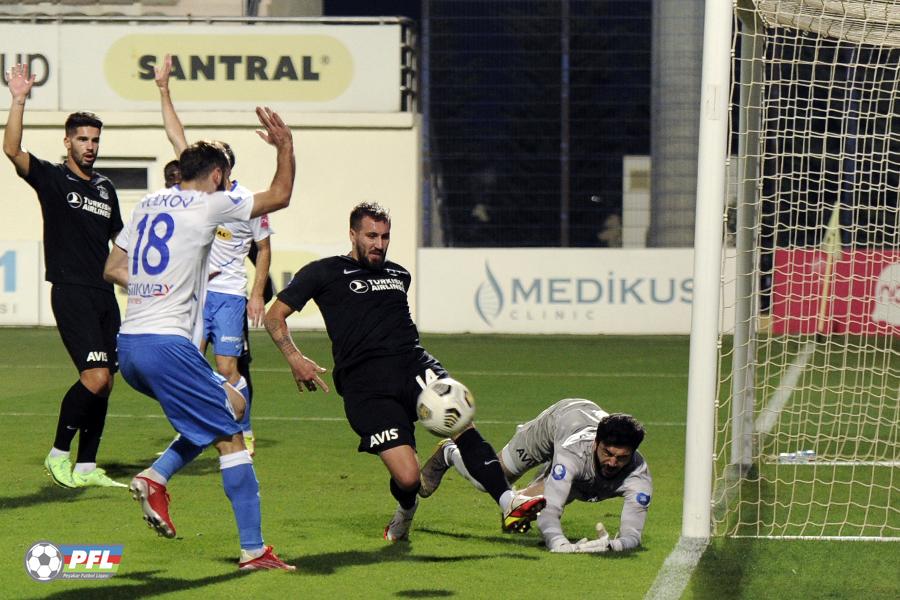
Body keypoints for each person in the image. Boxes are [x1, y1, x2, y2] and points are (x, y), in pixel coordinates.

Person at [263, 202, 546, 542]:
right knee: (409, 478)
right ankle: (406, 510)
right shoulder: (323, 272)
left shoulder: (399, 275)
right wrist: (294, 357)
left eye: (385, 237)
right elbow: (274, 315)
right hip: (365, 385)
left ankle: (508, 502)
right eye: (371, 236)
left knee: (461, 421)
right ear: (352, 234)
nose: (379, 244)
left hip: (414, 365)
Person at [102, 106, 296, 570]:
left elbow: (112, 268)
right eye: (224, 179)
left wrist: (156, 285)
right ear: (216, 175)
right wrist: (285, 146)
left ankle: (157, 476)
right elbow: (281, 195)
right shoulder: (212, 202)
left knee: (231, 406)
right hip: (167, 347)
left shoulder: (148, 203)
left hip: (129, 346)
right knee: (231, 434)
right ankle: (253, 550)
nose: (226, 186)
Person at [3, 63, 125, 489]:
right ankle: (58, 454)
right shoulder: (53, 179)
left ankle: (87, 466)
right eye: (83, 139)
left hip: (104, 295)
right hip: (72, 291)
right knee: (95, 377)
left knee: (106, 384)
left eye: (95, 140)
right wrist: (18, 99)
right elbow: (12, 149)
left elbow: (121, 242)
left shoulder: (106, 189)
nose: (90, 146)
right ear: (68, 141)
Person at [155, 54, 273, 455]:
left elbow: (263, 248)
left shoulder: (246, 202)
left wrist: (256, 294)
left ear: (223, 168)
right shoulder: (199, 195)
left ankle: (243, 428)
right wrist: (163, 89)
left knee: (227, 368)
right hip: (195, 294)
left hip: (228, 294)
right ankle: (197, 429)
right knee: (186, 364)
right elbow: (176, 137)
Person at [419, 399, 652, 553]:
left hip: (577, 451)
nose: (613, 463)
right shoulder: (573, 454)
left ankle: (516, 505)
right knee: (490, 479)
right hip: (555, 424)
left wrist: (611, 546)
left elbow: (632, 535)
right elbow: (551, 511)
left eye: (622, 457)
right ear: (595, 444)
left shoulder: (638, 476)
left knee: (530, 506)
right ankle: (449, 452)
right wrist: (559, 543)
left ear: (633, 453)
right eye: (607, 453)